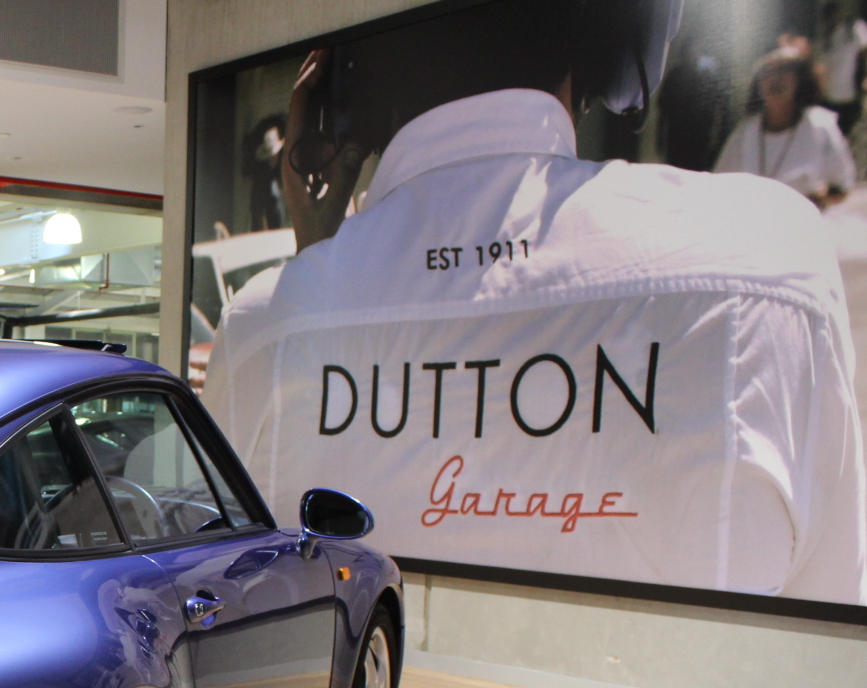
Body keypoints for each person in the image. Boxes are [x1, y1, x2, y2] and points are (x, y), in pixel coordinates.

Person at [204, 0, 867, 606]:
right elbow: (826, 646)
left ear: (332, 92)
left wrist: (317, 278)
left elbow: (233, 612)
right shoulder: (768, 263)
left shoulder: (263, 328)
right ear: (627, 37)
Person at [715, 44, 856, 207]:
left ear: (799, 80)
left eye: (784, 71)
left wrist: (815, 202)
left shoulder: (820, 125)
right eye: (768, 72)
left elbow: (842, 186)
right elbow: (719, 185)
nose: (776, 79)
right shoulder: (745, 132)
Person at [816, 2, 867, 133]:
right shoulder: (822, 38)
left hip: (849, 98)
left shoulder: (853, 29)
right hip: (827, 100)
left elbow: (864, 52)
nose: (831, 18)